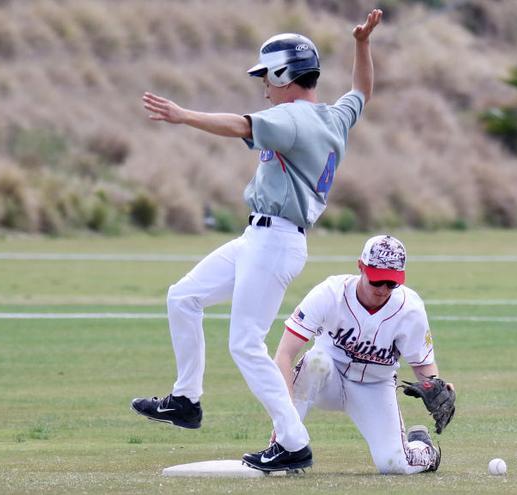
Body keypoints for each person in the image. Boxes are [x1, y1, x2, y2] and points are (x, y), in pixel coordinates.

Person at [131, 9, 384, 473]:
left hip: (275, 241)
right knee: (183, 297)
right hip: (259, 237)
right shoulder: (331, 117)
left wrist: (183, 115)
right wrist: (362, 45)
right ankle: (186, 400)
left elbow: (241, 125)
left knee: (246, 343)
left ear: (286, 75)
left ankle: (293, 443)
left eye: (267, 75)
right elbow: (362, 91)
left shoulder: (293, 119)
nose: (263, 85)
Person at [272, 235, 455, 474]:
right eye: (377, 281)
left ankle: (423, 448)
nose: (383, 290)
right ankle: (284, 449)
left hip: (375, 387)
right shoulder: (330, 293)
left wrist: (437, 386)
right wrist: (285, 420)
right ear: (361, 266)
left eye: (391, 283)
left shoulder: (410, 309)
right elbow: (284, 355)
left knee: (394, 465)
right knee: (316, 361)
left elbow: (423, 364)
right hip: (329, 380)